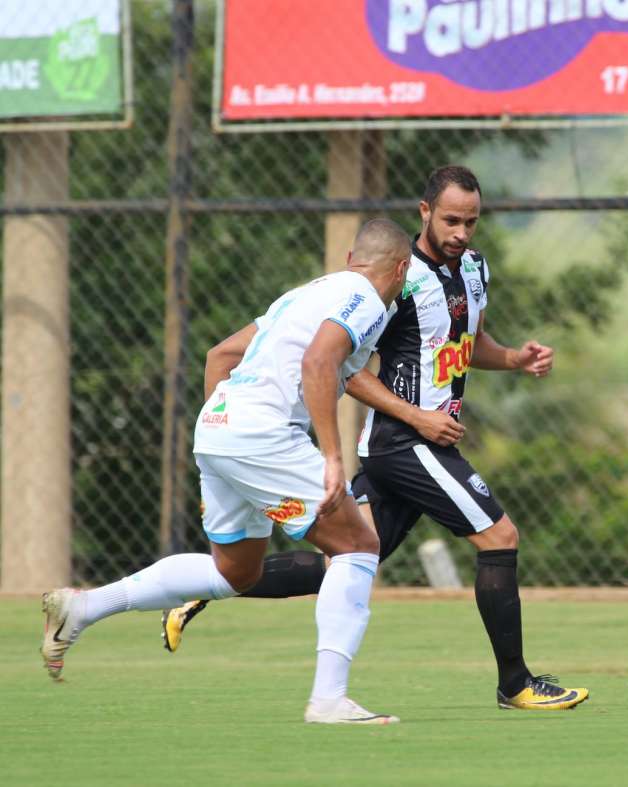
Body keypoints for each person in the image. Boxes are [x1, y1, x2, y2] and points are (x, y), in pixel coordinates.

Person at [162, 165, 589, 711]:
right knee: (499, 537)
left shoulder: (475, 268)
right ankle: (516, 684)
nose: (461, 232)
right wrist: (417, 417)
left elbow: (468, 342)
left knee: (344, 558)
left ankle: (211, 587)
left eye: (471, 222)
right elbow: (345, 367)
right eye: (451, 220)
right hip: (405, 443)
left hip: (419, 442)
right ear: (425, 212)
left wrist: (513, 358)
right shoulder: (395, 280)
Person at [40, 218, 412, 725]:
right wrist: (331, 456)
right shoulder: (367, 298)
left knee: (235, 572)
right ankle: (329, 699)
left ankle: (83, 608)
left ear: (351, 259)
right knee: (359, 545)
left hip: (219, 423)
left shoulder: (306, 294)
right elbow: (319, 364)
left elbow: (222, 355)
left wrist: (226, 441)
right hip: (264, 432)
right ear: (401, 269)